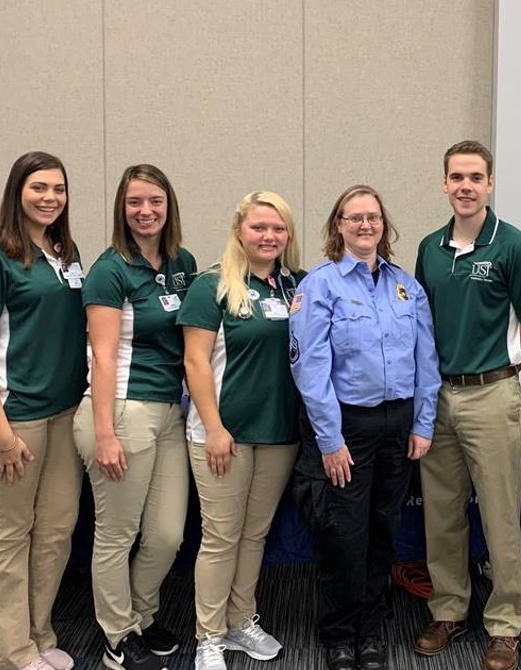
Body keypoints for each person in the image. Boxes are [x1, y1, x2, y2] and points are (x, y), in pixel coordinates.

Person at [289, 184, 441, 670]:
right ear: (338, 226)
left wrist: (423, 422)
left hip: (398, 425)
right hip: (347, 428)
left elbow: (427, 360)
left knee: (383, 530)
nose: (365, 225)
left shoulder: (406, 286)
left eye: (373, 217)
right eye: (354, 217)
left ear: (383, 225)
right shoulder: (320, 286)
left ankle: (371, 629)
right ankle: (339, 633)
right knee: (344, 535)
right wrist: (330, 440)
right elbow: (310, 369)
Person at [412, 140, 521, 670]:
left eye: (475, 177)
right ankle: (449, 610)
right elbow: (420, 322)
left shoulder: (514, 246)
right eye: (456, 177)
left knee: (500, 516)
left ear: (490, 183)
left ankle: (506, 623)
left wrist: (507, 368)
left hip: (492, 395)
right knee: (441, 513)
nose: (465, 186)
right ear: (444, 184)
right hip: (438, 396)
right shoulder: (429, 248)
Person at [0, 151, 88, 670]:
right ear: (17, 192)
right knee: (10, 532)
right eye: (38, 187)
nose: (50, 197)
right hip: (15, 415)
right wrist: (1, 435)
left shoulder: (65, 251)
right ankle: (8, 653)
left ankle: (37, 633)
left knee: (56, 527)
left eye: (58, 188)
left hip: (64, 411)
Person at [72, 165, 197, 670]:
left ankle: (142, 616)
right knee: (116, 534)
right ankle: (117, 635)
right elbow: (102, 356)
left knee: (167, 534)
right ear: (121, 209)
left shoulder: (182, 262)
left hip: (169, 410)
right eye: (134, 202)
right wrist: (105, 433)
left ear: (169, 206)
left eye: (155, 201)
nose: (146, 211)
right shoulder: (110, 270)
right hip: (121, 409)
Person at [178, 191, 304, 670]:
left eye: (278, 228)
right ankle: (208, 636)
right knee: (220, 536)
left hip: (278, 432)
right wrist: (213, 428)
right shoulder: (211, 285)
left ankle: (239, 620)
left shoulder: (295, 286)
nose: (269, 236)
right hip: (222, 434)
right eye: (259, 227)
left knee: (255, 534)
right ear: (239, 231)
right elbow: (195, 362)